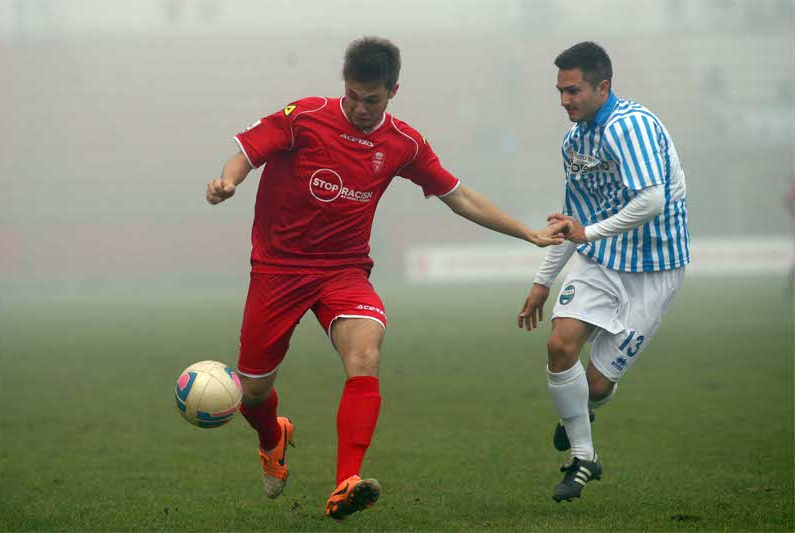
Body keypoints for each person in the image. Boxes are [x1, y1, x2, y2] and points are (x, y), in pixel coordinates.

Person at [207, 36, 568, 520]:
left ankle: (346, 482)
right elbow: (246, 153)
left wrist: (526, 232)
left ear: (393, 91)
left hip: (344, 271)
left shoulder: (404, 143)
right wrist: (228, 180)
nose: (359, 107)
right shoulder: (305, 117)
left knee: (366, 352)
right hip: (277, 272)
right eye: (353, 95)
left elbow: (458, 196)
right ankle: (273, 436)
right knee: (251, 393)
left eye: (371, 99)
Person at [517, 41, 690, 503]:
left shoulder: (629, 126)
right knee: (559, 346)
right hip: (601, 260)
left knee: (593, 386)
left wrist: (589, 233)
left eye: (573, 91)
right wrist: (542, 281)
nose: (564, 101)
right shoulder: (575, 141)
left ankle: (579, 411)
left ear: (603, 86)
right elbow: (571, 219)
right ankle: (583, 458)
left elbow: (651, 201)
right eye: (559, 91)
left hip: (655, 267)